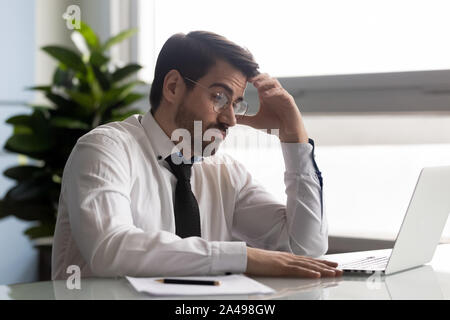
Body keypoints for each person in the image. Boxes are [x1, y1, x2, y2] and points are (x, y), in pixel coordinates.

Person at [51, 31, 342, 280]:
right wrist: (244, 257)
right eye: (219, 98)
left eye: (236, 104)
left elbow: (305, 248)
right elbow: (109, 248)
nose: (230, 119)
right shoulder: (104, 148)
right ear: (173, 86)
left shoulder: (225, 172)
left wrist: (293, 134)